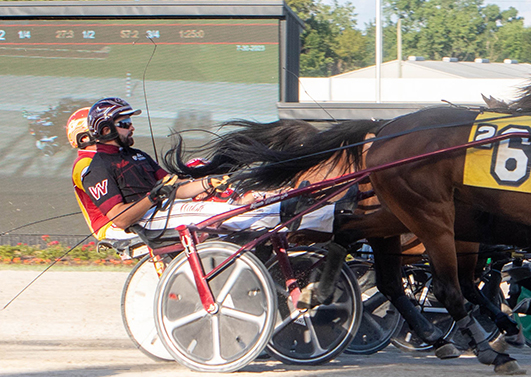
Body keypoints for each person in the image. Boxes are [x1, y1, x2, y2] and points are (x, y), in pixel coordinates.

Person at [80, 97, 343, 307]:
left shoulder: (138, 156)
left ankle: (323, 213)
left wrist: (211, 182)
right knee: (229, 211)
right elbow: (120, 218)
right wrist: (153, 197)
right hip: (147, 220)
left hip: (168, 209)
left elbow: (178, 187)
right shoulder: (96, 168)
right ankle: (296, 213)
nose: (131, 126)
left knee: (239, 204)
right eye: (124, 122)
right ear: (105, 130)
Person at [66, 107, 132, 241]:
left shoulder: (115, 156)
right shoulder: (83, 164)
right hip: (109, 225)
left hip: (129, 216)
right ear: (85, 137)